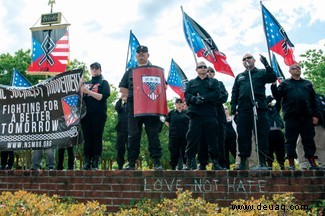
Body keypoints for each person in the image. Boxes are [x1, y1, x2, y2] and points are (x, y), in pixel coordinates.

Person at [119, 45, 164, 170]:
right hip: (134, 107)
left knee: (153, 135)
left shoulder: (156, 71)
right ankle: (132, 162)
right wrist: (134, 94)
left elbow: (163, 87)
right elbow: (122, 88)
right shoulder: (130, 71)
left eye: (144, 52)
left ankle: (156, 162)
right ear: (136, 56)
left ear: (148, 55)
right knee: (133, 136)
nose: (141, 54)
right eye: (138, 52)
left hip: (151, 107)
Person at [231, 53, 277, 170]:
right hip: (243, 109)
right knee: (243, 136)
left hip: (259, 108)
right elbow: (235, 93)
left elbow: (272, 78)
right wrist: (233, 109)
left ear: (254, 60)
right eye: (244, 59)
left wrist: (267, 65)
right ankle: (243, 162)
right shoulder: (240, 76)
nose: (247, 60)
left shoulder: (261, 72)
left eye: (249, 58)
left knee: (261, 134)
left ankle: (262, 161)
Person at [271, 63, 320, 170]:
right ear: (290, 71)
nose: (297, 69)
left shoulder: (307, 84)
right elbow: (277, 96)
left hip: (306, 116)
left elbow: (313, 101)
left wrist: (316, 115)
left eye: (298, 67)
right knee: (290, 140)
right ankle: (291, 163)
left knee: (308, 140)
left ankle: (312, 162)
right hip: (291, 116)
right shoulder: (285, 84)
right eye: (294, 68)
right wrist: (273, 86)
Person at [184, 61, 222, 170]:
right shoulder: (191, 83)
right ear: (196, 70)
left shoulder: (213, 82)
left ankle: (215, 162)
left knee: (212, 139)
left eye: (205, 67)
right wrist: (195, 99)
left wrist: (204, 98)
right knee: (192, 138)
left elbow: (216, 94)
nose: (203, 68)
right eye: (200, 67)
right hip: (196, 114)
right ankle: (190, 161)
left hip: (210, 114)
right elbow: (187, 95)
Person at [81, 62, 110, 170]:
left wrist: (87, 91)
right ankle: (87, 161)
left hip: (98, 114)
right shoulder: (85, 83)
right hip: (85, 114)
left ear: (100, 70)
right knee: (87, 138)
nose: (94, 70)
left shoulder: (104, 82)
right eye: (92, 68)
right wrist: (80, 85)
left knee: (97, 137)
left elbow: (102, 97)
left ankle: (96, 162)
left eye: (96, 68)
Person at [197, 66, 228, 170]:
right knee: (202, 139)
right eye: (208, 71)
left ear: (214, 73)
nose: (209, 73)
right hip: (204, 114)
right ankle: (202, 162)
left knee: (219, 139)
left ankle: (220, 163)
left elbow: (224, 97)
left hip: (218, 114)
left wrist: (209, 98)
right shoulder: (199, 83)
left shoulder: (219, 84)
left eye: (211, 71)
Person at [296, 93, 325, 170]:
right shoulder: (299, 96)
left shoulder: (320, 97)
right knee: (301, 144)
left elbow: (321, 108)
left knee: (320, 145)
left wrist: (318, 118)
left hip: (319, 124)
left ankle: (323, 164)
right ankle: (303, 165)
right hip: (303, 124)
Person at [165, 98, 189, 170]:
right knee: (174, 151)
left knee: (185, 150)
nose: (179, 104)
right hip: (174, 136)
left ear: (182, 104)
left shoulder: (186, 113)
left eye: (180, 102)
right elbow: (166, 122)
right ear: (175, 104)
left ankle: (186, 165)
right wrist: (172, 128)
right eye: (177, 102)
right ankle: (173, 166)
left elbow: (190, 122)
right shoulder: (171, 113)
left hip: (184, 135)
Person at [265, 95, 285, 170]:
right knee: (269, 150)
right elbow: (264, 103)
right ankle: (269, 164)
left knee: (281, 149)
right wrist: (270, 97)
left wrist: (274, 96)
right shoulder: (264, 110)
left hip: (278, 131)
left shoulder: (276, 108)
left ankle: (282, 164)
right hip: (268, 131)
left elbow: (279, 101)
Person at [114, 96, 128, 170]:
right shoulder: (121, 106)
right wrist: (120, 98)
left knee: (130, 147)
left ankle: (131, 163)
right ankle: (120, 164)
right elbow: (117, 107)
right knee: (120, 148)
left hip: (131, 129)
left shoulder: (132, 105)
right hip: (121, 129)